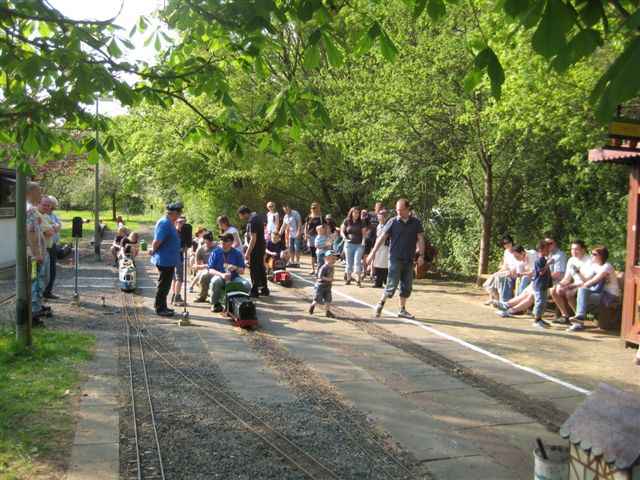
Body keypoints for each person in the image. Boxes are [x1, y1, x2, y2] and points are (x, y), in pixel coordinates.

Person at [368, 199, 426, 319]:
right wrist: (373, 253)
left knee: (406, 286)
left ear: (408, 209)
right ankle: (381, 303)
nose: (398, 212)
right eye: (397, 210)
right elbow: (382, 238)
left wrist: (421, 255)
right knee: (392, 283)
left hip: (409, 258)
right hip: (395, 258)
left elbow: (420, 239)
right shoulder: (392, 222)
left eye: (401, 210)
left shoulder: (416, 222)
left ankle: (402, 310)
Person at [567, 245, 620, 332]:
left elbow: (593, 281)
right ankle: (579, 320)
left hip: (610, 296)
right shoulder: (595, 266)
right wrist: (578, 272)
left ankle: (580, 319)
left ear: (601, 256)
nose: (591, 255)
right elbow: (587, 280)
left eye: (594, 254)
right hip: (600, 293)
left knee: (581, 292)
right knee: (577, 293)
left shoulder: (607, 266)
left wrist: (581, 287)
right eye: (591, 253)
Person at [550, 240, 593, 325]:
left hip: (586, 285)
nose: (574, 251)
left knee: (569, 293)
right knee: (553, 290)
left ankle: (579, 319)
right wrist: (560, 284)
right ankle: (565, 316)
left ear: (583, 250)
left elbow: (587, 280)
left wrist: (569, 286)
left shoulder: (589, 260)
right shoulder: (571, 260)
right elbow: (567, 278)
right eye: (572, 249)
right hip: (575, 285)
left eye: (576, 249)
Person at [150, 203, 182, 317]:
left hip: (169, 259)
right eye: (179, 213)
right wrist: (153, 250)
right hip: (164, 260)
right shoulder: (164, 223)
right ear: (173, 213)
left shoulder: (169, 222)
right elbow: (157, 241)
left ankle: (163, 306)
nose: (180, 215)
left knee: (166, 284)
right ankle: (159, 308)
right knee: (163, 285)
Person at [207, 232, 252, 312]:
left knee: (247, 285)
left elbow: (242, 271)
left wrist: (235, 268)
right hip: (220, 276)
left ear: (231, 242)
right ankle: (215, 303)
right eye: (221, 240)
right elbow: (210, 269)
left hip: (233, 277)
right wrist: (222, 275)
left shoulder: (237, 253)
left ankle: (237, 303)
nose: (222, 242)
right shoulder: (215, 252)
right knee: (215, 281)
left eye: (225, 240)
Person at [238, 205, 269, 297]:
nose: (240, 218)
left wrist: (247, 252)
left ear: (244, 213)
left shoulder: (253, 221)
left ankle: (254, 291)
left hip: (256, 248)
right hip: (261, 246)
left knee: (254, 269)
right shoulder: (258, 217)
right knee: (261, 268)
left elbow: (253, 238)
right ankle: (264, 289)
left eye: (240, 215)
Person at [483, 235, 519, 304]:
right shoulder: (506, 252)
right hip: (507, 271)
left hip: (514, 273)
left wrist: (509, 271)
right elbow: (505, 266)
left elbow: (519, 264)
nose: (507, 244)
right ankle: (495, 298)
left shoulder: (516, 250)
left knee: (499, 278)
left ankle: (500, 300)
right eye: (504, 243)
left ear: (512, 242)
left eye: (508, 242)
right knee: (491, 280)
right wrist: (497, 272)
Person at [341, 206, 367, 287]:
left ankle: (358, 279)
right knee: (349, 262)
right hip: (349, 244)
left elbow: (364, 233)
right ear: (351, 213)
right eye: (355, 212)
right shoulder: (346, 221)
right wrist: (344, 238)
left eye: (358, 213)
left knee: (357, 261)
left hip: (359, 245)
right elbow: (342, 231)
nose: (356, 214)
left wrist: (363, 241)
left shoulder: (362, 222)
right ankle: (348, 279)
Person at [308, 250, 338, 318]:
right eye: (332, 258)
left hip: (328, 286)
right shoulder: (324, 267)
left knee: (328, 299)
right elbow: (320, 276)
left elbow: (331, 275)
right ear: (326, 258)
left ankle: (327, 311)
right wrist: (328, 279)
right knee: (317, 298)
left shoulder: (332, 267)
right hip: (321, 286)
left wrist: (331, 279)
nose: (334, 260)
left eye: (335, 258)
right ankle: (312, 305)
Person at [531, 240, 553, 329]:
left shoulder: (544, 259)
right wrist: (548, 264)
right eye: (547, 249)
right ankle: (536, 320)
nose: (548, 251)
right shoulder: (539, 260)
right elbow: (541, 272)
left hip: (543, 285)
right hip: (539, 285)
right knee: (540, 302)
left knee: (543, 302)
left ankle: (539, 318)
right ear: (541, 250)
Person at [43, 195, 62, 300]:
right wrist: (55, 227)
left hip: (53, 245)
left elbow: (59, 226)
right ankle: (45, 291)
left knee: (52, 269)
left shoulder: (53, 215)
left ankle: (48, 291)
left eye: (52, 205)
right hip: (47, 246)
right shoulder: (44, 216)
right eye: (50, 205)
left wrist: (55, 227)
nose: (52, 208)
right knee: (48, 270)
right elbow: (50, 230)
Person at [193, 232, 216, 302]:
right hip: (207, 269)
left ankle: (206, 296)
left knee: (204, 276)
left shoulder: (217, 247)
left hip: (217, 269)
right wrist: (197, 266)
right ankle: (203, 296)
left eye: (211, 241)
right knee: (202, 275)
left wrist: (201, 266)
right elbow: (197, 262)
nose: (209, 243)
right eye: (207, 241)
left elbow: (214, 264)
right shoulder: (201, 249)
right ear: (204, 240)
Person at [171, 217, 187, 307]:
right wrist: (182, 249)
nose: (182, 224)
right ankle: (177, 296)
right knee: (179, 278)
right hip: (176, 258)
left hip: (176, 258)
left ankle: (175, 295)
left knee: (175, 278)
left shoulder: (182, 233)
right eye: (180, 222)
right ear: (176, 223)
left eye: (184, 222)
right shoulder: (175, 233)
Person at [372, 209, 390, 288]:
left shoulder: (388, 226)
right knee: (377, 264)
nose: (380, 218)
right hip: (378, 247)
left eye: (383, 216)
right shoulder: (378, 226)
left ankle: (386, 281)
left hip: (386, 247)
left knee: (385, 265)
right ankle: (378, 282)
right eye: (379, 216)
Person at [305, 202, 324, 275]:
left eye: (315, 207)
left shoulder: (321, 217)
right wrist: (305, 234)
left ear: (318, 208)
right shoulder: (309, 217)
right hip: (310, 236)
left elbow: (325, 226)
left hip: (319, 236)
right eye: (312, 208)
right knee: (313, 253)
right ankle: (313, 269)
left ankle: (319, 269)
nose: (314, 209)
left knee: (319, 253)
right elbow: (306, 226)